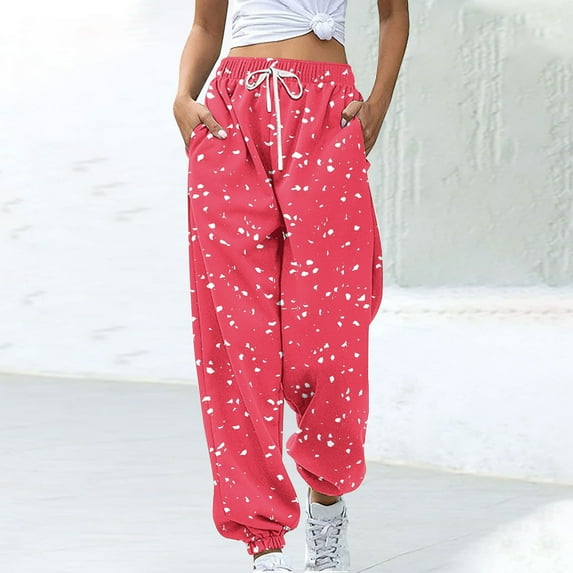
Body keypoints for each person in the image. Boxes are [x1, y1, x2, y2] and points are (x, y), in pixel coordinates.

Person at [173, 1, 409, 571]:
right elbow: (206, 25)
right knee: (238, 336)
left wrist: (378, 102)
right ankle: (265, 543)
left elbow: (394, 13)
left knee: (331, 332)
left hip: (328, 115)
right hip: (232, 116)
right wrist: (183, 97)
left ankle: (327, 508)